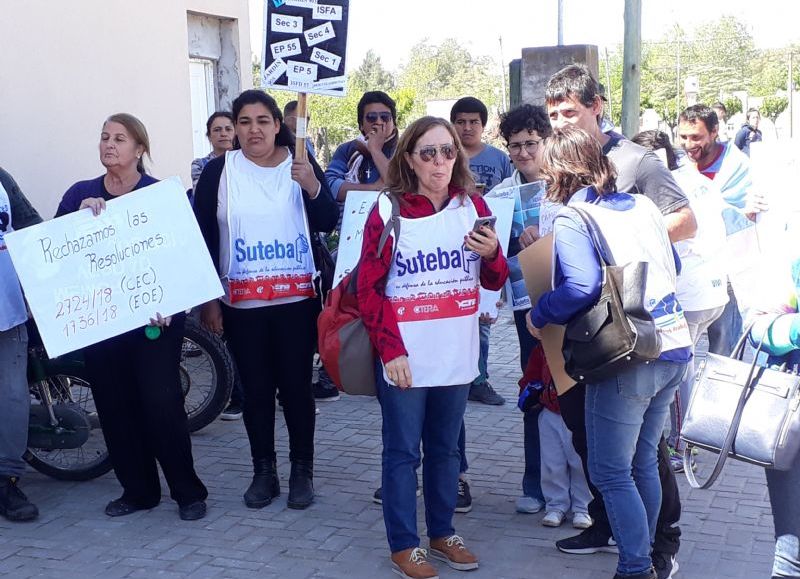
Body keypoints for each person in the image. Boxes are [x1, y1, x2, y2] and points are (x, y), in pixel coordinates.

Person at [545, 63, 694, 579]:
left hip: (628, 355)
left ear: (560, 173)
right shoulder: (639, 206)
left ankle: (635, 567)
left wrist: (541, 314)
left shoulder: (574, 214)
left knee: (611, 472)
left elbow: (580, 288)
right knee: (641, 462)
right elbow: (668, 266)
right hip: (672, 346)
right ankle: (646, 558)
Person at [358, 116, 508, 579]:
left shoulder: (473, 206)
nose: (440, 161)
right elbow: (369, 289)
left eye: (447, 152)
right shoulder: (389, 211)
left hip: (456, 354)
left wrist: (492, 255)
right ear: (409, 159)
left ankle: (442, 533)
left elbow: (495, 279)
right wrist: (391, 350)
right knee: (403, 453)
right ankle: (404, 544)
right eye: (428, 152)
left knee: (445, 452)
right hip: (406, 356)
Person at [55, 113, 208, 521]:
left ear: (139, 149)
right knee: (115, 407)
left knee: (161, 403)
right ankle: (138, 491)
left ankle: (188, 492)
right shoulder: (78, 195)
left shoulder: (160, 196)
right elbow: (56, 259)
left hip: (153, 323)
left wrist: (174, 306)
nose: (109, 144)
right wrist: (76, 222)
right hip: (102, 324)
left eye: (119, 138)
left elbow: (183, 258)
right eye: (104, 137)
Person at [194, 90, 337, 511]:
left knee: (296, 390)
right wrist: (209, 300)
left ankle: (301, 471)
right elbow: (202, 237)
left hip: (296, 304)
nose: (253, 129)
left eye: (262, 121)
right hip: (242, 306)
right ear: (234, 129)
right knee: (256, 392)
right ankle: (264, 471)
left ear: (279, 125)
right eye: (244, 122)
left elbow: (328, 221)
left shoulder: (300, 165)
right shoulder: (219, 172)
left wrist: (312, 185)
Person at [631, 129, 729, 471]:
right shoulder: (695, 179)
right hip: (714, 291)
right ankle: (687, 441)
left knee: (675, 373)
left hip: (686, 292)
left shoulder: (665, 188)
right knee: (683, 370)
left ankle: (680, 444)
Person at [320, 91, 399, 404]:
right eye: (371, 118)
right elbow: (332, 187)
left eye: (385, 117)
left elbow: (398, 182)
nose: (378, 122)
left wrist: (376, 150)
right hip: (353, 248)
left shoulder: (406, 147)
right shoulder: (347, 151)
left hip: (394, 250)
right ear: (360, 122)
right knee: (350, 311)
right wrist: (373, 188)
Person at [496, 103, 553, 514]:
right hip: (525, 309)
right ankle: (534, 483)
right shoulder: (499, 198)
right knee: (534, 389)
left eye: (531, 143)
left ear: (545, 141)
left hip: (574, 305)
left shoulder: (571, 187)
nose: (523, 153)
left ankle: (583, 488)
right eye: (515, 146)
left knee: (576, 389)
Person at [677, 104, 767, 357]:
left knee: (723, 343)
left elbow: (747, 212)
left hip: (726, 268)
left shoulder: (738, 167)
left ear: (715, 132)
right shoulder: (678, 164)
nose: (688, 144)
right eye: (683, 137)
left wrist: (747, 211)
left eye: (696, 137)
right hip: (687, 268)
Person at [451, 96, 512, 406]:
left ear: (483, 126)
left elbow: (510, 201)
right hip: (450, 256)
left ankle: (480, 378)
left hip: (488, 250)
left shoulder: (500, 159)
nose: (467, 127)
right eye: (460, 122)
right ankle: (455, 377)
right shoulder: (444, 156)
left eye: (474, 122)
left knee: (484, 318)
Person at [747, 253, 800, 579]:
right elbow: (758, 328)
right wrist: (794, 329)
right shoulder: (794, 265)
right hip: (792, 422)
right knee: (789, 558)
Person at [0, 166, 42, 522]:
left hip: (6, 313)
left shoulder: (2, 179)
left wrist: (83, 222)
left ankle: (6, 483)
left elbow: (34, 228)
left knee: (12, 400)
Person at [518, 346, 592, 529]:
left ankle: (583, 507)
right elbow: (532, 372)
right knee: (552, 462)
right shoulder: (544, 346)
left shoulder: (586, 346)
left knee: (580, 463)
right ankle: (556, 505)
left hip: (579, 412)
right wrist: (526, 393)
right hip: (550, 410)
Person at [191, 112, 234, 189]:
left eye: (228, 129)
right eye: (217, 130)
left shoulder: (246, 160)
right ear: (209, 136)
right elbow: (200, 194)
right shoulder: (199, 165)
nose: (223, 134)